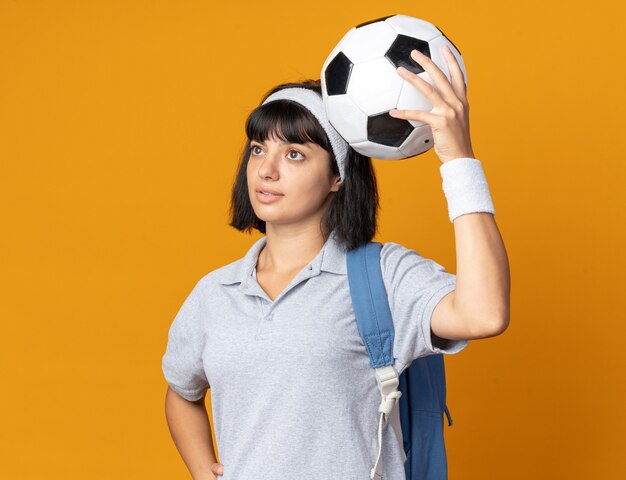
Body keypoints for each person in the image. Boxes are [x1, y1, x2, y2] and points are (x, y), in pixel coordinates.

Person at [162, 49, 510, 480]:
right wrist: (203, 469)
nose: (265, 170)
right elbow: (181, 391)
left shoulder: (382, 277)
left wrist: (459, 160)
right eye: (257, 149)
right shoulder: (215, 294)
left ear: (337, 176)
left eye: (294, 154)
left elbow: (485, 313)